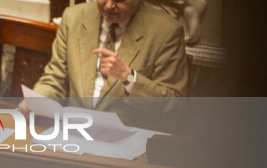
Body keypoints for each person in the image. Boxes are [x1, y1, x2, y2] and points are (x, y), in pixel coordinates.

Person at [32, 0, 188, 112]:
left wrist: (128, 77)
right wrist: (35, 102)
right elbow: (54, 79)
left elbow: (174, 103)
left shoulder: (166, 31)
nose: (108, 5)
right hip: (75, 131)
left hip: (129, 139)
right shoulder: (73, 17)